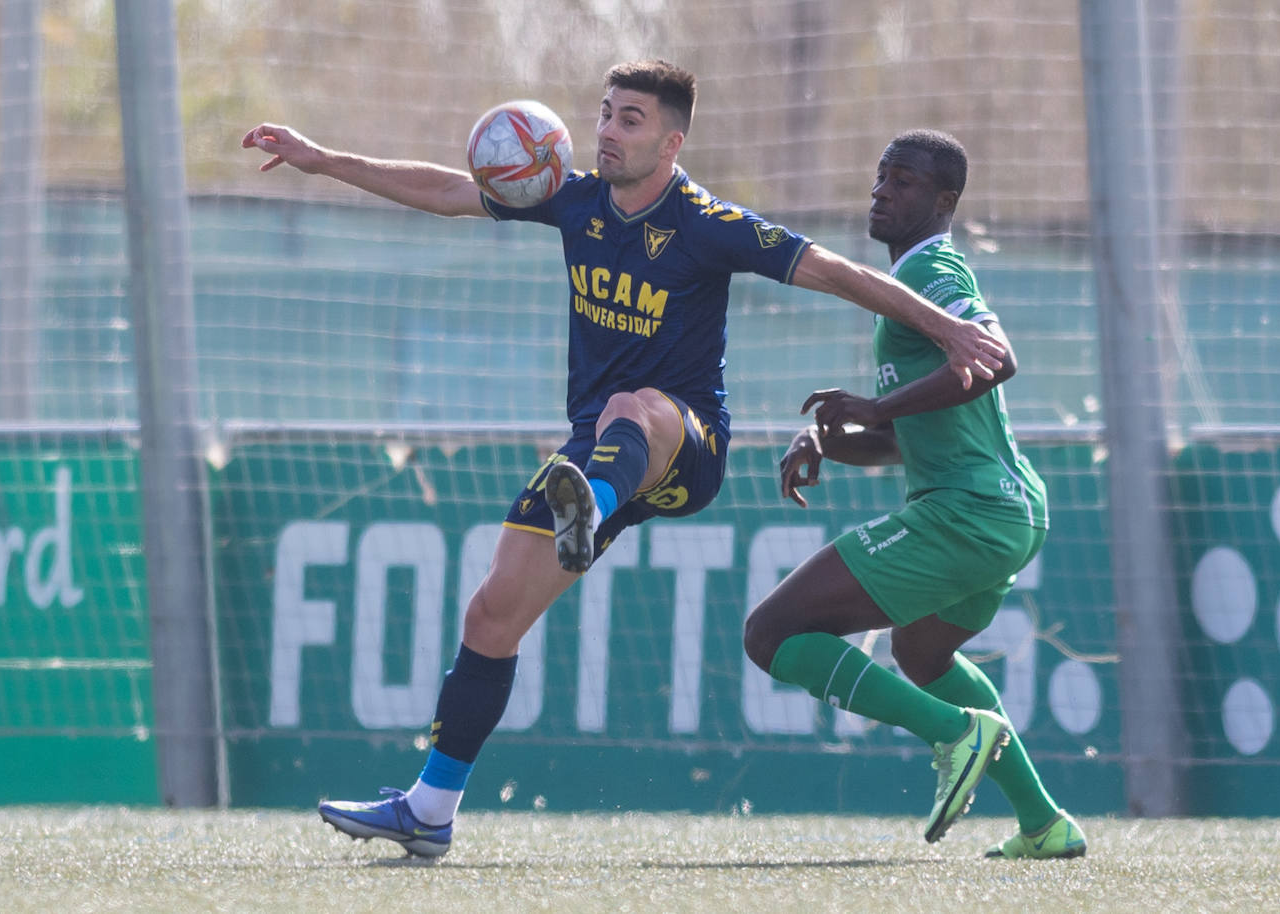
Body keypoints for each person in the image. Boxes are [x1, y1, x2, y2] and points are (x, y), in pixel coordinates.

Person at [243, 60, 1007, 858]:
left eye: (630, 120)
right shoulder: (572, 199)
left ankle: (591, 509)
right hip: (598, 455)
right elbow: (443, 191)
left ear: (672, 142)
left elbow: (838, 272)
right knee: (492, 615)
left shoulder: (707, 223)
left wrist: (951, 331)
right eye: (605, 114)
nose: (607, 130)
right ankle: (431, 808)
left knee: (630, 407)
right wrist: (323, 159)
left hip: (686, 446)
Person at [742, 129, 1087, 858]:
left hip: (970, 513)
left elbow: (994, 357)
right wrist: (834, 439)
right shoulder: (909, 283)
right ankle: (1044, 824)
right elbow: (908, 438)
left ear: (944, 200)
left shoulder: (932, 271)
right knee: (922, 654)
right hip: (1007, 511)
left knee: (770, 635)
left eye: (902, 182)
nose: (882, 193)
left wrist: (872, 406)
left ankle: (954, 734)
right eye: (880, 178)